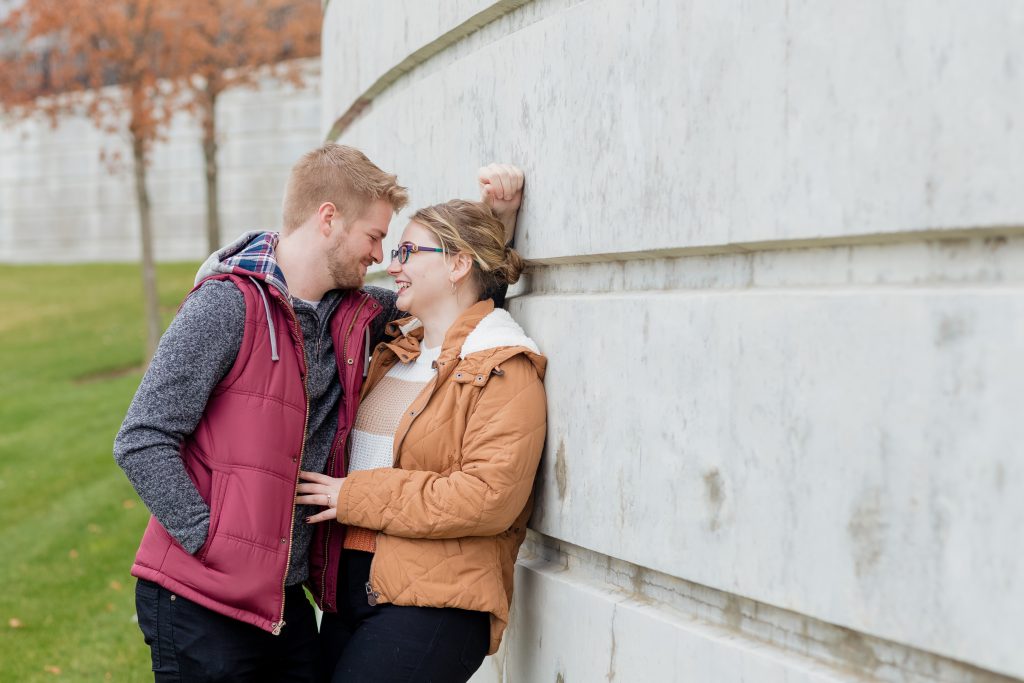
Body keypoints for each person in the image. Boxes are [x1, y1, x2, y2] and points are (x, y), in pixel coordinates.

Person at [114, 138, 524, 681]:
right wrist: (209, 538)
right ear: (328, 218)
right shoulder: (226, 304)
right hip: (200, 599)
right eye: (376, 236)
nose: (381, 256)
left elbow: (452, 299)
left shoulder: (357, 317)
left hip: (286, 603)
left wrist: (497, 224)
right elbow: (141, 437)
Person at [296, 189, 547, 683]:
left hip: (435, 603)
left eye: (408, 252)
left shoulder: (501, 365)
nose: (393, 266)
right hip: (355, 591)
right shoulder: (395, 354)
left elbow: (488, 496)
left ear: (457, 265)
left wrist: (355, 495)